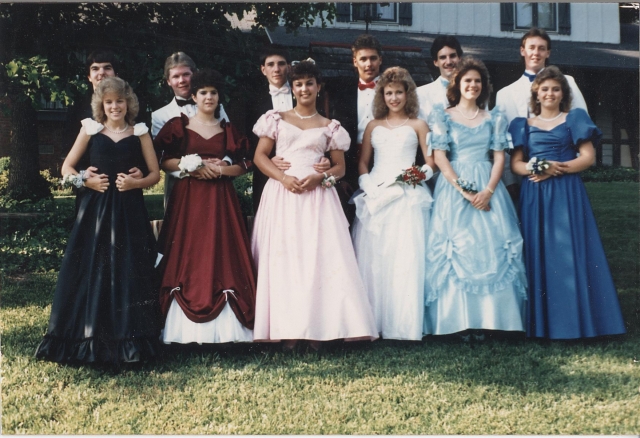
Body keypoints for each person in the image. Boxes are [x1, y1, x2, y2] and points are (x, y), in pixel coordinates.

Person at [251, 60, 378, 350]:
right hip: (283, 195)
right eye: (298, 84)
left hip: (318, 198)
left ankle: (319, 329)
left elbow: (340, 168)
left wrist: (319, 177)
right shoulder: (275, 119)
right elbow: (260, 157)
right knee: (285, 261)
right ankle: (288, 330)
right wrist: (283, 177)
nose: (304, 88)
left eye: (310, 83)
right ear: (292, 88)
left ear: (318, 87)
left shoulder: (330, 127)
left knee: (317, 261)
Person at [35, 77, 161, 364]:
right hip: (95, 211)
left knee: (128, 267)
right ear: (101, 105)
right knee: (93, 267)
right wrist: (84, 180)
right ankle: (86, 337)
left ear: (128, 103)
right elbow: (66, 167)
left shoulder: (140, 132)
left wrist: (134, 183)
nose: (115, 106)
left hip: (129, 211)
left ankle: (130, 341)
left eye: (119, 101)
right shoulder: (90, 129)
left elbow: (154, 174)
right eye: (109, 102)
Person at [508, 66, 626, 340]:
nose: (550, 93)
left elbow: (587, 158)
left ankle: (575, 322)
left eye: (556, 89)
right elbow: (516, 164)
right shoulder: (523, 124)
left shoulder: (574, 118)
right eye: (545, 88)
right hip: (535, 195)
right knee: (538, 252)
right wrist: (539, 168)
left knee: (569, 251)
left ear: (563, 94)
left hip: (566, 193)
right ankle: (541, 323)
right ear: (536, 93)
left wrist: (555, 168)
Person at [424, 57, 527, 339]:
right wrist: (463, 190)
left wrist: (489, 191)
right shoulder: (442, 115)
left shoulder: (494, 118)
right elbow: (441, 157)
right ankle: (456, 322)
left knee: (492, 247)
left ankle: (493, 320)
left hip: (487, 185)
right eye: (467, 80)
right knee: (458, 247)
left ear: (484, 86)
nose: (473, 85)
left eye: (477, 81)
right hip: (454, 186)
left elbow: (498, 158)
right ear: (458, 84)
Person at [154, 69, 256, 344]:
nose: (208, 97)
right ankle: (182, 328)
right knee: (190, 250)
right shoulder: (179, 125)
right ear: (194, 97)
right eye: (203, 93)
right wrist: (193, 167)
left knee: (221, 249)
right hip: (189, 198)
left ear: (219, 96)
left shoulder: (228, 130)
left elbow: (246, 164)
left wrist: (222, 171)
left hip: (221, 199)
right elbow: (163, 160)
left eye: (213, 92)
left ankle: (228, 326)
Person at [351, 67, 435, 341]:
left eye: (399, 92)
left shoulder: (419, 125)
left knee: (404, 259)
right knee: (375, 258)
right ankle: (372, 322)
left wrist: (410, 177)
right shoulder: (374, 126)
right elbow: (363, 162)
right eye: (389, 92)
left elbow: (430, 164)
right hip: (376, 193)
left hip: (406, 194)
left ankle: (403, 325)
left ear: (408, 94)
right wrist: (367, 185)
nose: (394, 97)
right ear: (382, 95)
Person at [496, 28, 588, 200]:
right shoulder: (505, 94)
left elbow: (582, 130)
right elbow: (504, 141)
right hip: (525, 175)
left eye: (541, 48)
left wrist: (566, 168)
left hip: (564, 174)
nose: (536, 53)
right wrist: (510, 181)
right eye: (531, 47)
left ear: (548, 53)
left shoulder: (568, 82)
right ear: (522, 51)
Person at [246, 47, 329, 213]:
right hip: (269, 175)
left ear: (289, 66)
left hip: (309, 178)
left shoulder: (307, 95)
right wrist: (269, 159)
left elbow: (322, 133)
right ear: (263, 69)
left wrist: (326, 159)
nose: (276, 69)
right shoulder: (251, 99)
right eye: (270, 64)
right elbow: (246, 138)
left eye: (281, 64)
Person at [151, 52, 230, 208]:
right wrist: (194, 168)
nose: (181, 81)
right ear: (168, 81)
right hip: (180, 182)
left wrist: (225, 163)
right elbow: (161, 157)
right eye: (175, 76)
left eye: (186, 74)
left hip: (216, 180)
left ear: (194, 74)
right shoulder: (160, 115)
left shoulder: (218, 108)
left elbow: (231, 143)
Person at [326, 34, 384, 224]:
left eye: (373, 58)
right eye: (363, 59)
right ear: (355, 62)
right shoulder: (342, 91)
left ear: (380, 60)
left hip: (381, 160)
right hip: (349, 162)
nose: (369, 64)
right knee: (347, 218)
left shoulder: (392, 90)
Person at [417, 35, 463, 123]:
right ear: (435, 62)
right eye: (443, 57)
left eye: (452, 56)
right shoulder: (421, 94)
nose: (448, 62)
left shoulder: (473, 91)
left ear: (459, 58)